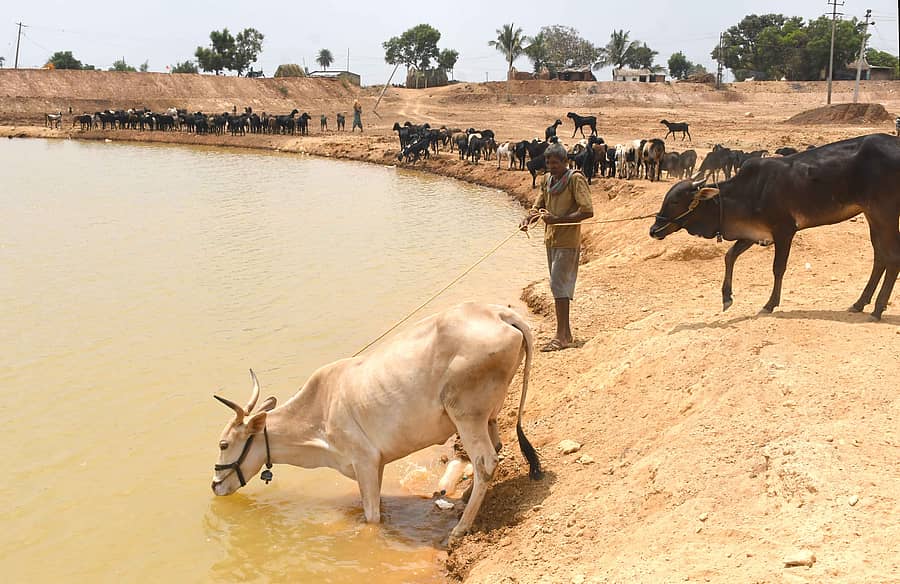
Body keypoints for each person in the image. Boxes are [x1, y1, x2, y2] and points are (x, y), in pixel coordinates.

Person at [520, 143, 594, 351]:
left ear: (565, 162)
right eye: (548, 162)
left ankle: (561, 337)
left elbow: (587, 210)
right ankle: (566, 334)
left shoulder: (575, 179)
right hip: (551, 239)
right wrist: (528, 220)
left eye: (555, 163)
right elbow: (538, 207)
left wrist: (558, 220)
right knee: (557, 284)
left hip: (568, 240)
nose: (551, 166)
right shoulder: (546, 180)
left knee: (558, 285)